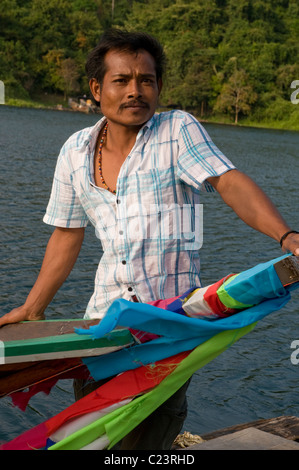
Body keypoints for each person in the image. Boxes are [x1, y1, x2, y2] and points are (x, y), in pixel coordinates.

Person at [1, 29, 299, 449]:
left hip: (169, 328)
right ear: (96, 88)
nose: (135, 91)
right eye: (121, 80)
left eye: (147, 80)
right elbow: (67, 234)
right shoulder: (74, 150)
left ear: (158, 87)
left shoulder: (176, 131)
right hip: (104, 326)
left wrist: (287, 235)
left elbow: (228, 182)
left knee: (148, 438)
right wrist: (33, 308)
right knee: (92, 435)